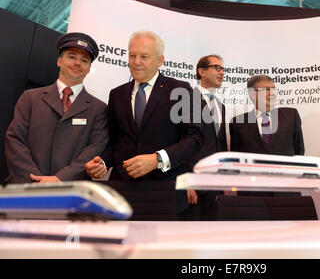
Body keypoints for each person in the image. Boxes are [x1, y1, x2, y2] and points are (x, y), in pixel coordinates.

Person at [85, 30, 203, 217]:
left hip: (164, 190)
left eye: (144, 56)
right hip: (121, 191)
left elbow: (194, 137)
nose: (136, 61)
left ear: (160, 60)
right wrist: (103, 162)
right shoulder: (117, 94)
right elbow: (115, 141)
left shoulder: (180, 89)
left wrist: (157, 159)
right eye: (132, 55)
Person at [4, 32, 108, 183]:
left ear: (89, 68)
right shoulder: (30, 98)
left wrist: (60, 178)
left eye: (84, 60)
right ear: (59, 61)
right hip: (25, 187)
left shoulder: (99, 109)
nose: (78, 63)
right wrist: (35, 179)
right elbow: (15, 140)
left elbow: (95, 149)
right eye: (72, 57)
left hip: (70, 192)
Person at [230, 74, 305, 197]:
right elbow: (236, 159)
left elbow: (299, 150)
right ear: (252, 94)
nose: (272, 93)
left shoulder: (291, 115)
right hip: (252, 195)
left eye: (273, 89)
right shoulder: (238, 123)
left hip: (287, 191)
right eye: (266, 90)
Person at [184, 54, 228, 220]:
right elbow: (179, 142)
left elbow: (220, 145)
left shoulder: (221, 107)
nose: (222, 72)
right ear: (201, 71)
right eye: (217, 68)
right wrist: (186, 182)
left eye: (223, 69)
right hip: (192, 185)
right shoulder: (185, 99)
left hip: (215, 186)